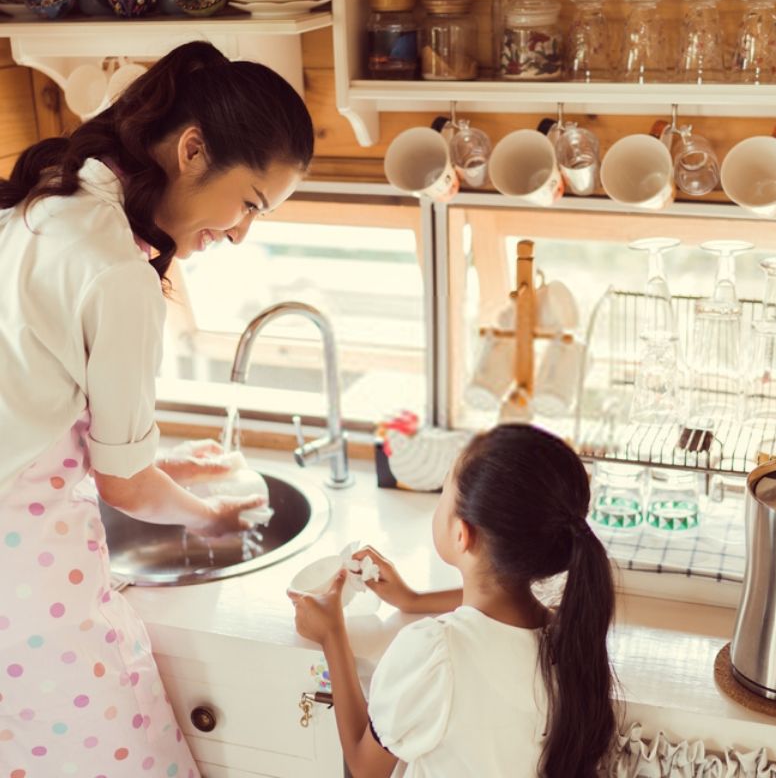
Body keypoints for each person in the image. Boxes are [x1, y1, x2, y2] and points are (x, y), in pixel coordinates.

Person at [0, 41, 313, 776]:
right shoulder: (119, 273)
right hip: (25, 576)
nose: (241, 232)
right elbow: (124, 487)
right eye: (249, 204)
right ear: (193, 148)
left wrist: (161, 460)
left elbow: (30, 397)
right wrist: (217, 516)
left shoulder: (51, 200)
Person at [289, 423, 617, 778]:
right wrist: (413, 599)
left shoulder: (435, 652)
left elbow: (365, 767)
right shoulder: (567, 632)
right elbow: (495, 608)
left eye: (443, 492)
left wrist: (331, 634)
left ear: (462, 534)